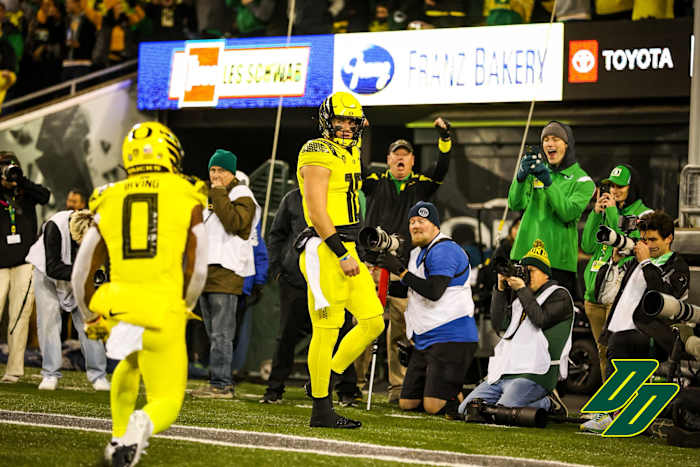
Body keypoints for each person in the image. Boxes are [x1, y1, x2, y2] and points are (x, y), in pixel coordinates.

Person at [71, 121, 208, 466]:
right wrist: (185, 304)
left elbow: (82, 269)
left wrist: (90, 315)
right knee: (167, 398)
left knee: (129, 363)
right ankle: (139, 424)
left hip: (117, 302)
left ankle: (118, 441)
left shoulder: (108, 194)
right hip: (161, 304)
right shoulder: (187, 190)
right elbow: (198, 266)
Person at [296, 91, 385, 428]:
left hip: (346, 247)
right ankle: (321, 410)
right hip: (325, 248)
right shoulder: (316, 150)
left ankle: (324, 378)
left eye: (351, 121)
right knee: (327, 329)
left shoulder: (349, 150)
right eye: (339, 120)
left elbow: (359, 130)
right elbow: (317, 210)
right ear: (325, 121)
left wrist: (357, 116)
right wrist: (339, 251)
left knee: (373, 321)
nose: (346, 127)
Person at [359, 117, 452, 403]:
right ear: (387, 160)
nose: (400, 158)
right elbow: (357, 168)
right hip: (371, 265)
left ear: (412, 160)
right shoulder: (375, 182)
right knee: (362, 323)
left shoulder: (420, 185)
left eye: (405, 155)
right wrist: (361, 135)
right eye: (395, 154)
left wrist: (445, 138)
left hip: (402, 268)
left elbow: (441, 169)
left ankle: (397, 387)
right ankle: (356, 383)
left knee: (400, 328)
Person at [583, 210, 690, 434]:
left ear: (669, 238)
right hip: (621, 328)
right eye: (644, 240)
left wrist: (646, 263)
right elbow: (606, 291)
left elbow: (664, 298)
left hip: (655, 334)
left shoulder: (676, 264)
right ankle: (613, 412)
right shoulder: (634, 262)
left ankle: (613, 412)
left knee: (620, 344)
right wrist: (614, 262)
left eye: (653, 240)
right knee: (615, 343)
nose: (647, 244)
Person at [261, 188, 362, 406]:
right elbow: (276, 234)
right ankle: (274, 388)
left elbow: (355, 233)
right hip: (296, 280)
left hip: (331, 278)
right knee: (287, 334)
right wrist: (277, 269)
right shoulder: (292, 198)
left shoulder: (341, 196)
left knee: (340, 331)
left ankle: (347, 389)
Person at [377, 201, 478, 414]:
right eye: (412, 221)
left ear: (435, 226)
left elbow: (434, 291)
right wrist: (380, 280)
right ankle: (443, 388)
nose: (415, 226)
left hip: (451, 336)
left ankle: (472, 399)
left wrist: (401, 271)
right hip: (425, 339)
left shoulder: (444, 249)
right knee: (408, 404)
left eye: (421, 221)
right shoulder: (417, 253)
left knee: (434, 406)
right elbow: (408, 290)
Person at [458, 239, 575, 418]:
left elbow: (540, 319)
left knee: (500, 411)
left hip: (534, 373)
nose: (526, 275)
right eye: (524, 271)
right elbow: (499, 325)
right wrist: (500, 289)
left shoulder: (560, 295)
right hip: (506, 370)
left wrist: (521, 289)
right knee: (466, 410)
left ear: (545, 274)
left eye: (531, 271)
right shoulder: (521, 297)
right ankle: (539, 403)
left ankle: (548, 402)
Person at [192, 149, 259, 399]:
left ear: (232, 173)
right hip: (207, 270)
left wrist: (219, 192)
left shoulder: (242, 193)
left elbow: (235, 224)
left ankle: (221, 384)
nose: (216, 175)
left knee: (221, 333)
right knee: (212, 333)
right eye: (213, 170)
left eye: (221, 170)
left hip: (228, 269)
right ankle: (216, 380)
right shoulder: (211, 195)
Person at [508, 121, 595, 299]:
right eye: (546, 139)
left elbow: (568, 213)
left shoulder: (583, 181)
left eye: (555, 139)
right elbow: (515, 204)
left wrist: (548, 182)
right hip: (524, 256)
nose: (549, 143)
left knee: (551, 322)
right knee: (517, 319)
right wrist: (520, 178)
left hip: (557, 264)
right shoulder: (537, 172)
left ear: (567, 144)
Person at [581, 164, 652, 379]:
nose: (614, 190)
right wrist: (595, 213)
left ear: (633, 187)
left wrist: (612, 212)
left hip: (622, 297)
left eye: (620, 186)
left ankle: (626, 405)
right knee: (603, 354)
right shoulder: (606, 209)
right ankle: (609, 409)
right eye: (611, 186)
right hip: (595, 295)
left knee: (620, 356)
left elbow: (623, 245)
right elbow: (587, 246)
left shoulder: (644, 213)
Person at [26, 208, 110, 391]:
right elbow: (52, 267)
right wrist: (85, 273)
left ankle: (99, 375)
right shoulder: (54, 227)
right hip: (47, 275)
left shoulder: (100, 231)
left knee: (91, 319)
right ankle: (50, 374)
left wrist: (103, 277)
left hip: (80, 276)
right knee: (48, 320)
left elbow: (108, 261)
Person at [0, 151, 50, 383]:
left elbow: (45, 196)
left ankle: (13, 371)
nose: (9, 172)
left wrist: (21, 182)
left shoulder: (26, 193)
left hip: (24, 263)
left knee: (19, 317)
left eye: (12, 167)